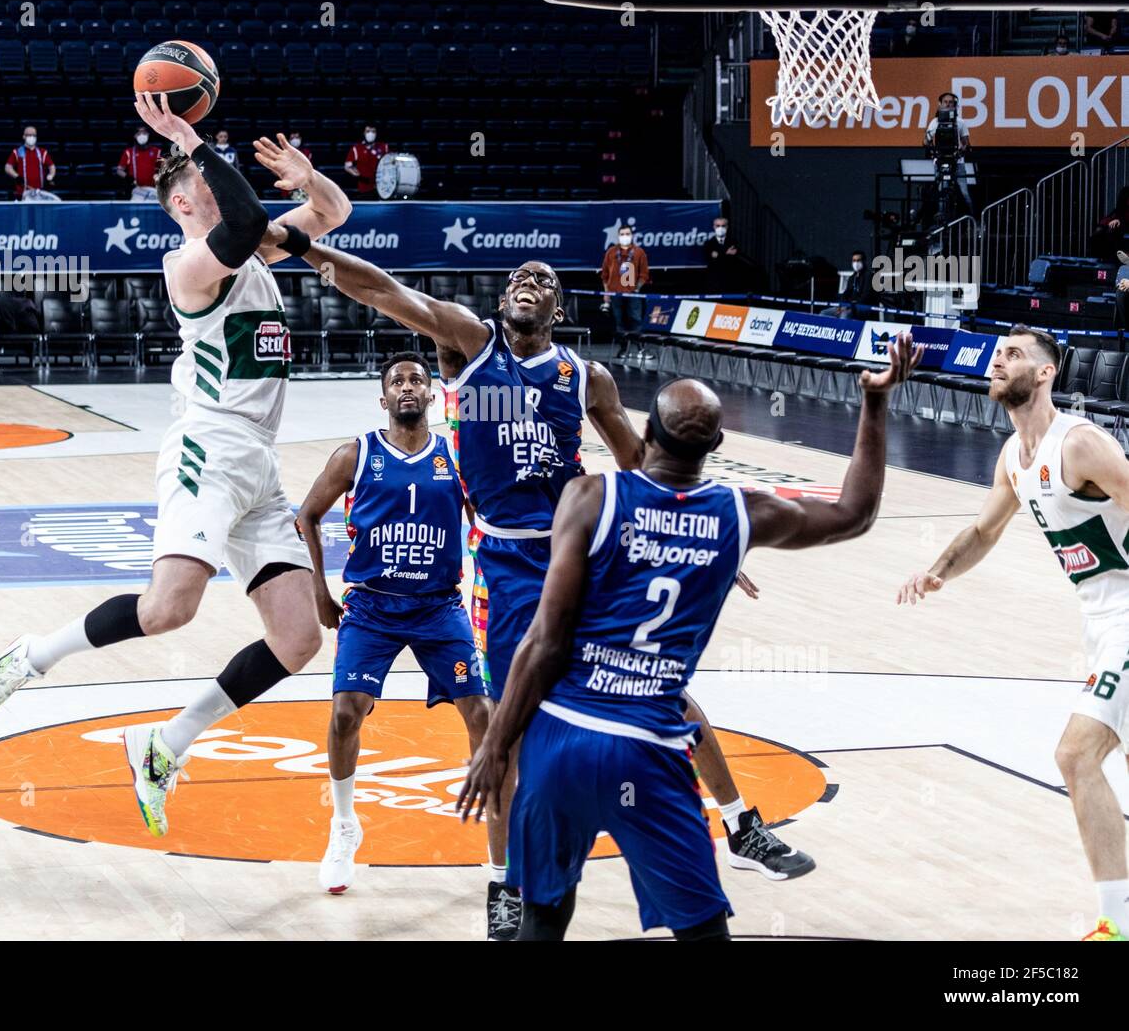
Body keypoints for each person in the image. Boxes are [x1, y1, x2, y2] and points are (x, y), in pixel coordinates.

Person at [273, 229, 814, 932]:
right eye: (518, 277)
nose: (529, 279)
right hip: (504, 564)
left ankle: (742, 827)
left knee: (661, 692)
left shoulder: (587, 377)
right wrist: (302, 245)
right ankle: (507, 883)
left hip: (578, 554)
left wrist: (707, 535)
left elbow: (643, 463)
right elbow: (381, 288)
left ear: (557, 307)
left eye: (543, 278)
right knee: (509, 732)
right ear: (503, 301)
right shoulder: (471, 345)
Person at [0, 99, 353, 842]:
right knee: (170, 608)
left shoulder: (258, 247)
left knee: (299, 639)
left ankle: (166, 744)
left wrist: (310, 178)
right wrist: (190, 140)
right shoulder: (190, 266)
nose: (225, 181)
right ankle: (29, 658)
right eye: (208, 176)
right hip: (208, 448)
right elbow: (237, 224)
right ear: (181, 199)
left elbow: (333, 212)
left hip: (256, 463)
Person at [457, 337, 921, 940]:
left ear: (645, 433)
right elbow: (855, 513)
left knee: (542, 922)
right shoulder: (741, 513)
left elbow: (543, 643)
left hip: (560, 744)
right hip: (650, 750)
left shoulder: (591, 496)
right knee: (703, 933)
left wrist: (496, 744)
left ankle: (739, 827)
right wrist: (875, 403)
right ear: (719, 445)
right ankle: (739, 830)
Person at [897, 326, 1129, 942]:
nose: (999, 362)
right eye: (997, 354)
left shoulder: (1079, 445)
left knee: (1076, 757)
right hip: (1100, 620)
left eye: (1015, 355)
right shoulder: (1012, 456)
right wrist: (938, 571)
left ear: (1047, 373)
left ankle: (1119, 926)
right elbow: (984, 531)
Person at [295, 352, 495, 898]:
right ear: (383, 399)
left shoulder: (455, 458)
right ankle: (343, 826)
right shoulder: (356, 454)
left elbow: (489, 526)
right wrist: (319, 589)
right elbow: (306, 515)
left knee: (480, 711)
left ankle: (499, 839)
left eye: (417, 380)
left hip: (438, 607)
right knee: (344, 714)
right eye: (397, 382)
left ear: (431, 396)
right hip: (371, 609)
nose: (408, 387)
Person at [600, 224, 650, 353]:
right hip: (615, 293)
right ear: (618, 236)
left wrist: (637, 288)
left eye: (627, 234)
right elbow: (604, 275)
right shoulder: (611, 252)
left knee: (636, 320)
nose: (625, 237)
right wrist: (606, 293)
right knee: (618, 321)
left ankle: (640, 348)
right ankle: (623, 348)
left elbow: (644, 274)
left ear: (632, 235)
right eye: (622, 234)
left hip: (633, 294)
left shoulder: (639, 252)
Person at [822, 250, 879, 320]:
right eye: (854, 261)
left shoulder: (869, 276)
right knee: (824, 313)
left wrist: (849, 306)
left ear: (864, 261)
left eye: (858, 260)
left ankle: (842, 330)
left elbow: (865, 297)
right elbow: (846, 293)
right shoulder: (852, 277)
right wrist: (841, 305)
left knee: (844, 315)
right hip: (849, 306)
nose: (856, 263)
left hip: (863, 307)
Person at [4, 126, 55, 200]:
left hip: (39, 194)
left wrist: (50, 176)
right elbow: (8, 167)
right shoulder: (17, 152)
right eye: (29, 135)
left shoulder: (43, 152)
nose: (32, 137)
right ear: (24, 136)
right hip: (22, 194)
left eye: (34, 135)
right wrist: (16, 176)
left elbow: (52, 166)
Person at [117, 127, 162, 201]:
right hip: (137, 190)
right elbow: (119, 170)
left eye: (144, 133)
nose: (142, 135)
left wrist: (158, 176)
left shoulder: (157, 151)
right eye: (139, 133)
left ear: (148, 135)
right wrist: (127, 177)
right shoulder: (129, 152)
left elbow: (163, 169)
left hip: (153, 190)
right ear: (135, 136)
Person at [344, 123, 388, 198]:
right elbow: (347, 166)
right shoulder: (357, 148)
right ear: (364, 133)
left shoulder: (384, 147)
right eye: (368, 131)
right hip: (364, 187)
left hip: (382, 187)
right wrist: (356, 173)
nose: (370, 134)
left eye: (373, 131)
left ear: (376, 133)